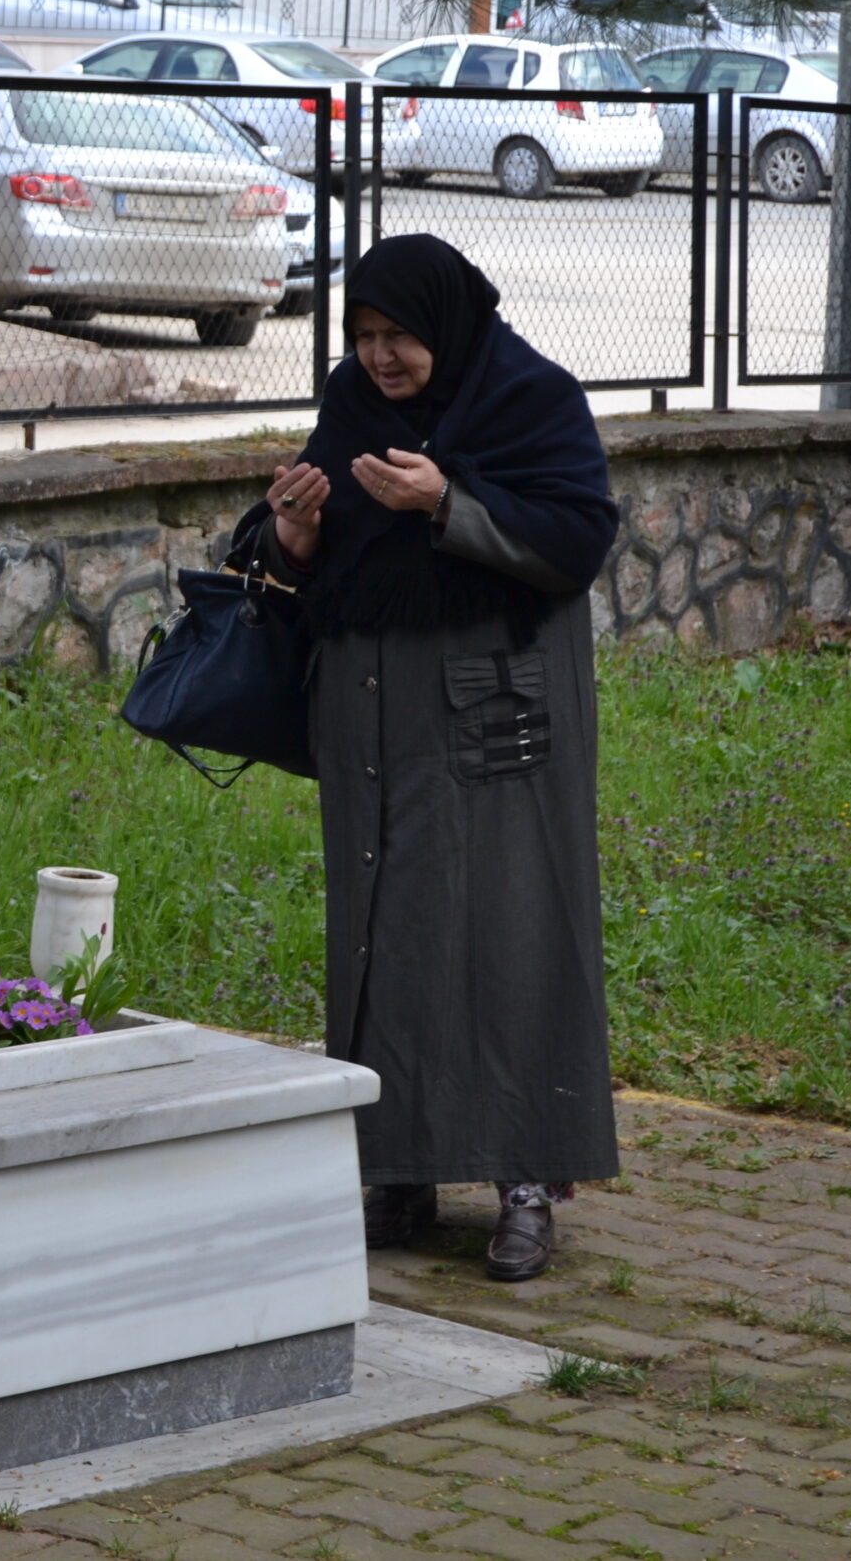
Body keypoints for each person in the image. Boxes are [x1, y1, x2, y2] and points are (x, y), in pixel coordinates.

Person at [256, 234, 621, 1282]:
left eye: (397, 336)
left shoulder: (527, 399)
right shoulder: (353, 403)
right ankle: (397, 1170)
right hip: (370, 716)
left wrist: (447, 505)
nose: (378, 358)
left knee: (509, 934)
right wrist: (293, 535)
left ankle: (523, 1183)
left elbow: (573, 539)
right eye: (362, 336)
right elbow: (311, 553)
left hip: (495, 718)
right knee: (382, 941)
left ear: (447, 324)